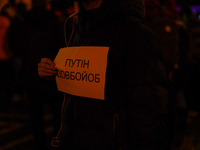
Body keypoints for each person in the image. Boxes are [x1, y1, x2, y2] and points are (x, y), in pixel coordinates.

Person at [38, 0, 173, 149]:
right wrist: (51, 75)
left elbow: (148, 111)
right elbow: (73, 98)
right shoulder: (80, 28)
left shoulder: (135, 33)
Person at [8, 0, 65, 149]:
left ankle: (39, 144)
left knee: (36, 117)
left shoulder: (24, 21)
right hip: (50, 73)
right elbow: (61, 45)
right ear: (46, 4)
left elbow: (15, 45)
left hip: (30, 74)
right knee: (58, 112)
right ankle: (56, 142)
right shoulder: (53, 21)